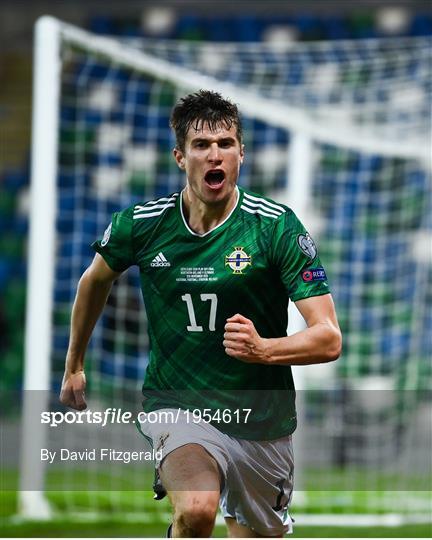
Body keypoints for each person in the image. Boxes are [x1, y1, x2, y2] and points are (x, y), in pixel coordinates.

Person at [60, 90, 342, 538]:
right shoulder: (143, 224)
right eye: (202, 145)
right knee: (196, 510)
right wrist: (74, 363)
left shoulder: (275, 227)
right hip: (178, 404)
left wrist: (265, 349)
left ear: (241, 154)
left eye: (226, 144)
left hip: (261, 419)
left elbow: (328, 337)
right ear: (180, 156)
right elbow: (94, 280)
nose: (216, 155)